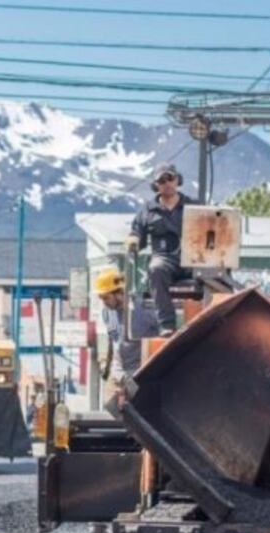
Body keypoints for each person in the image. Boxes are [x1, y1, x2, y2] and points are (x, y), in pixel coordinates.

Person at [125, 164, 195, 337]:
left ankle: (217, 320)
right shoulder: (148, 210)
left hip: (194, 258)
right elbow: (137, 233)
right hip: (165, 259)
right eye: (162, 180)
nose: (167, 183)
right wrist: (133, 240)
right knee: (156, 269)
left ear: (178, 180)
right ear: (156, 185)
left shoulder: (193, 206)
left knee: (215, 272)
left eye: (170, 178)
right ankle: (167, 325)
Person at [94, 267, 159, 401]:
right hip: (119, 372)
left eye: (106, 297)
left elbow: (165, 335)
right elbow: (112, 341)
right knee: (111, 406)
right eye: (101, 298)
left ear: (119, 293)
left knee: (137, 407)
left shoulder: (143, 309)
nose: (104, 302)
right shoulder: (107, 313)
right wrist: (106, 366)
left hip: (140, 372)